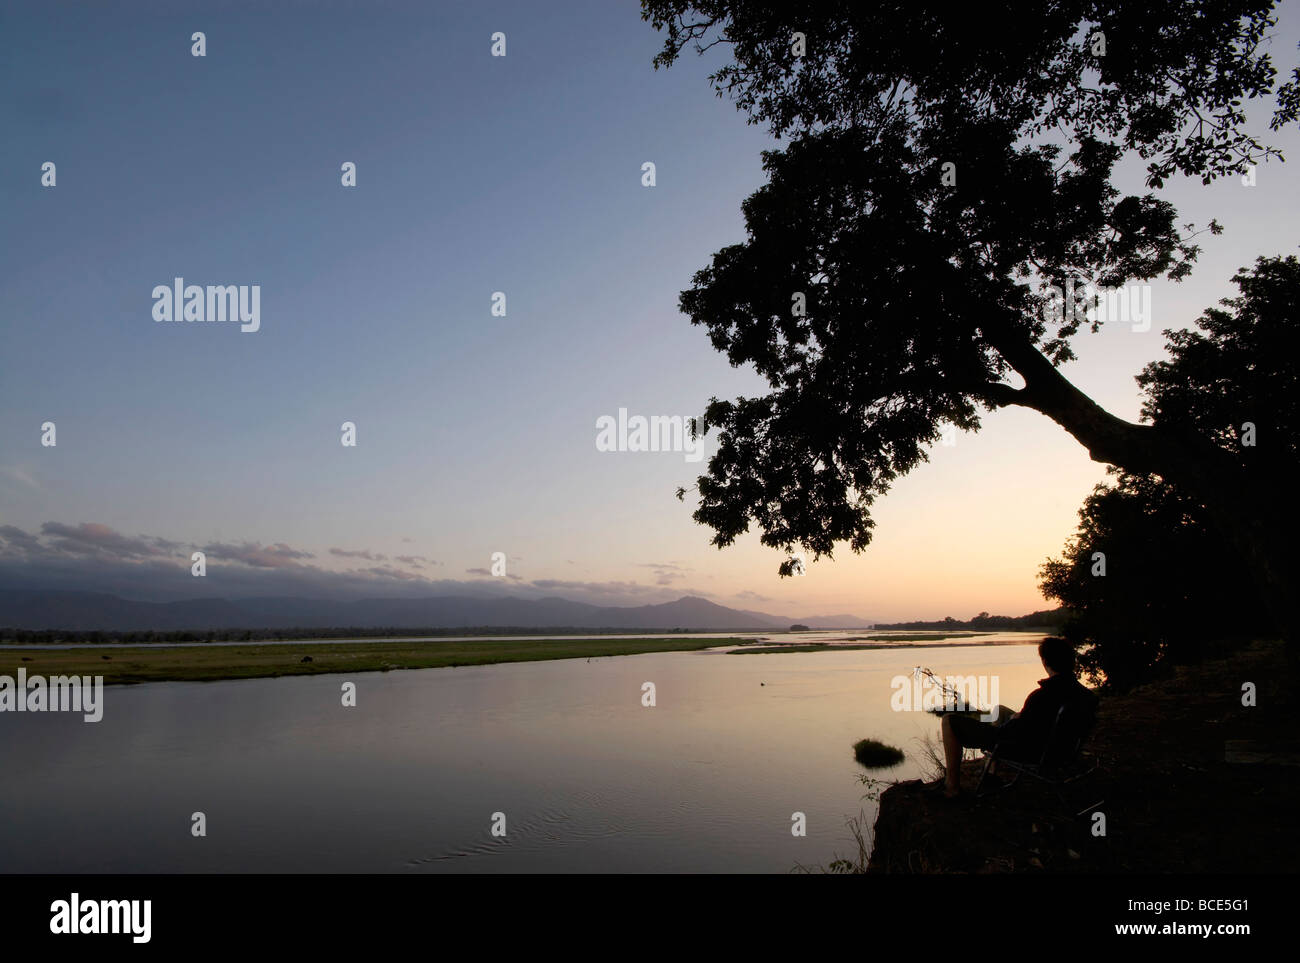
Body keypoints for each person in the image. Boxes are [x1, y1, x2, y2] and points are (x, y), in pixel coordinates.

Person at [935, 636, 1097, 798]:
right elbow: (1042, 720)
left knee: (949, 720)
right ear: (1071, 661)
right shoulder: (1086, 696)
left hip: (1029, 750)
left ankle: (952, 788)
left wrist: (1014, 721)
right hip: (1061, 750)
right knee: (1000, 710)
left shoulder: (1041, 696)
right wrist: (1021, 716)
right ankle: (990, 773)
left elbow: (1011, 733)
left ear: (1045, 662)